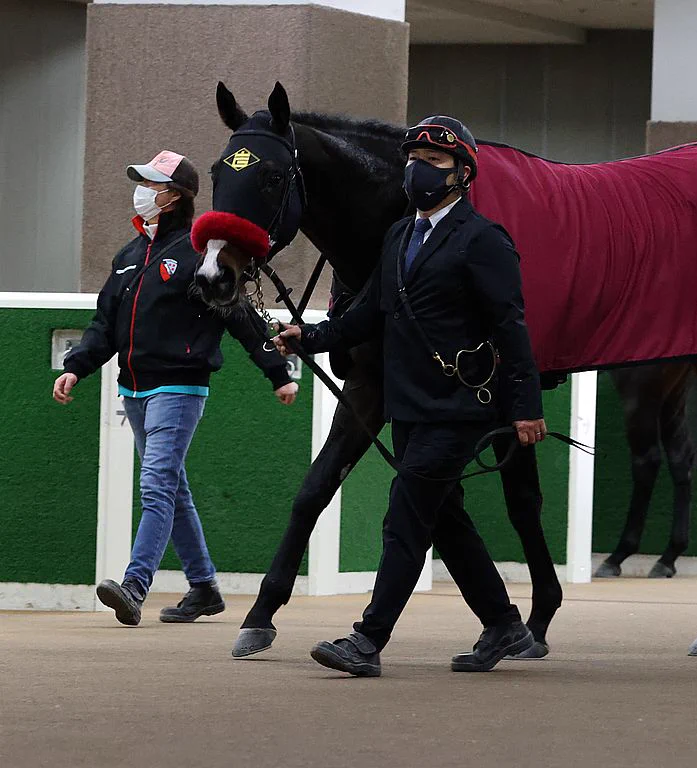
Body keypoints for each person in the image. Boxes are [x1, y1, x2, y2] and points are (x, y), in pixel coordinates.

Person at [273, 116, 545, 676]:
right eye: (413, 159)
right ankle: (503, 624)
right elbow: (370, 310)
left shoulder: (483, 240)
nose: (419, 170)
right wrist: (313, 338)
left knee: (405, 517)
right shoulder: (399, 236)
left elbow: (512, 329)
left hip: (461, 406)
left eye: (435, 162)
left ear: (462, 175)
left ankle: (367, 640)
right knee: (444, 519)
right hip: (409, 403)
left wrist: (525, 407)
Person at [54, 150, 299, 626]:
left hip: (180, 388)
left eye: (152, 184)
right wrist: (76, 367)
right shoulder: (128, 256)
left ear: (174, 197)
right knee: (173, 488)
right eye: (142, 182)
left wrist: (276, 372)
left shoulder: (199, 253)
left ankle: (134, 584)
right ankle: (204, 587)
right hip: (135, 388)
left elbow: (239, 314)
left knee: (157, 484)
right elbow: (104, 324)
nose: (142, 191)